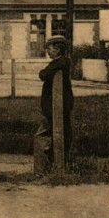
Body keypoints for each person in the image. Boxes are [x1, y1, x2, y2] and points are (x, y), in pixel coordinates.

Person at [35, 35, 74, 170]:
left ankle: (45, 166)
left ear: (58, 49)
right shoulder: (60, 63)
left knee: (45, 135)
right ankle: (57, 163)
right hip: (57, 106)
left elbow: (43, 75)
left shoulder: (61, 63)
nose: (48, 51)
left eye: (50, 49)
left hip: (56, 107)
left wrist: (43, 71)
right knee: (59, 133)